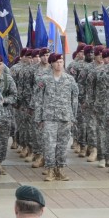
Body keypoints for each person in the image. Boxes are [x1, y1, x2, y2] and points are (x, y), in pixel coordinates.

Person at [34, 53, 78, 181]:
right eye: (57, 62)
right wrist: (39, 118)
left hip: (65, 117)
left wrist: (73, 117)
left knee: (62, 145)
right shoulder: (44, 79)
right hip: (49, 117)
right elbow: (39, 99)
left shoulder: (69, 79)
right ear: (52, 63)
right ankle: (50, 170)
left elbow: (74, 99)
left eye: (61, 61)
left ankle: (60, 169)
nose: (59, 64)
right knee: (49, 144)